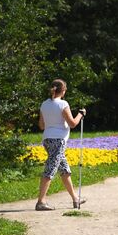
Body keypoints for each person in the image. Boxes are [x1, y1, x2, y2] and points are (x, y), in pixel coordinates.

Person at [36, 79, 86, 211]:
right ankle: (41, 201)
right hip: (59, 141)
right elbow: (73, 123)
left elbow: (41, 125)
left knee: (64, 169)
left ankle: (75, 199)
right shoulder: (63, 104)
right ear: (63, 91)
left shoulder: (44, 104)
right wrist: (80, 114)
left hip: (47, 139)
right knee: (51, 168)